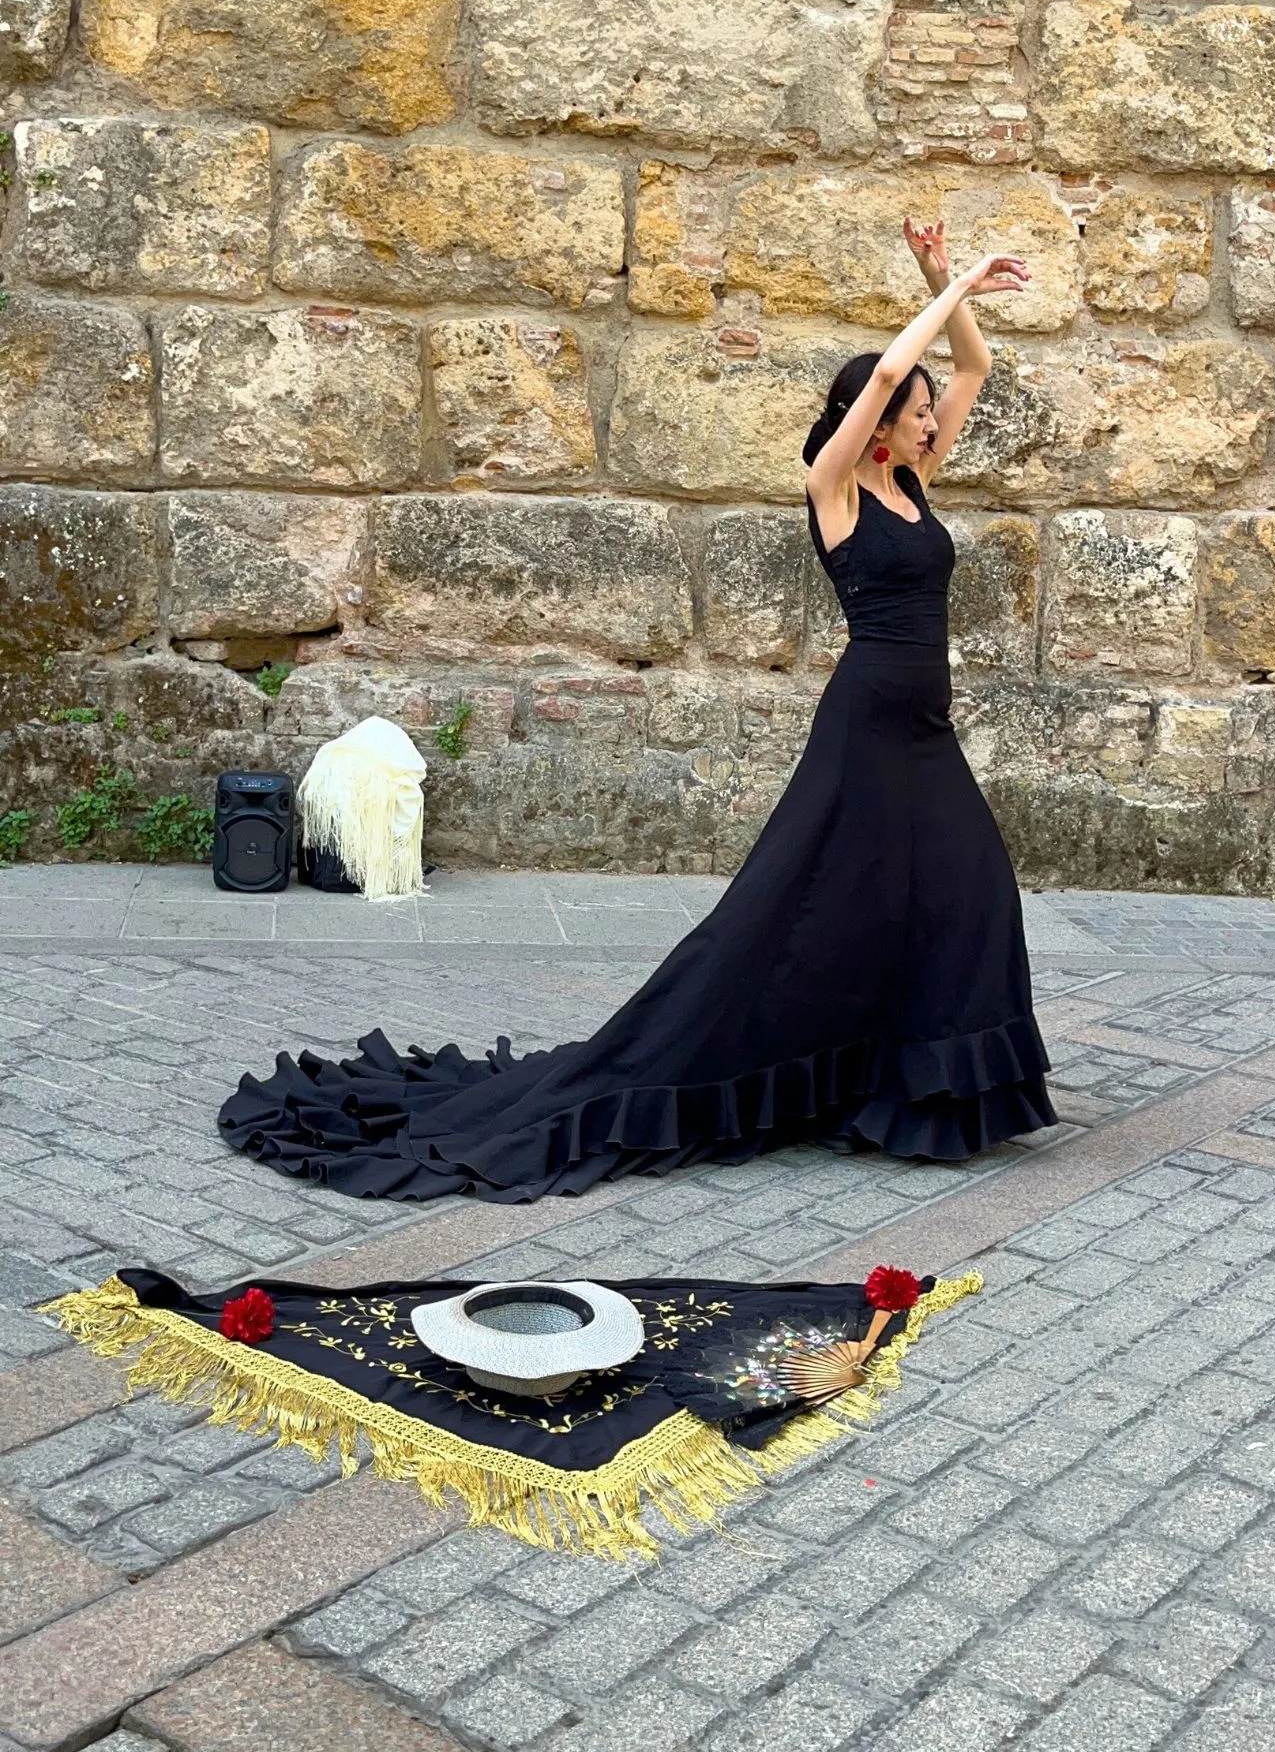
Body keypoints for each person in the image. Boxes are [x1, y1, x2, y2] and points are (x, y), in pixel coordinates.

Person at [219, 217, 1056, 1202]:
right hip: (865, 728)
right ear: (875, 425)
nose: (927, 421)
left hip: (925, 732)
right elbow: (883, 380)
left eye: (925, 415)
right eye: (913, 414)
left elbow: (972, 371)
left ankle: (927, 1089)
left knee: (964, 893)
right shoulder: (831, 486)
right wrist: (948, 291)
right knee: (792, 909)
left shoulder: (913, 478)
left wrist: (938, 280)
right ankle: (732, 1063)